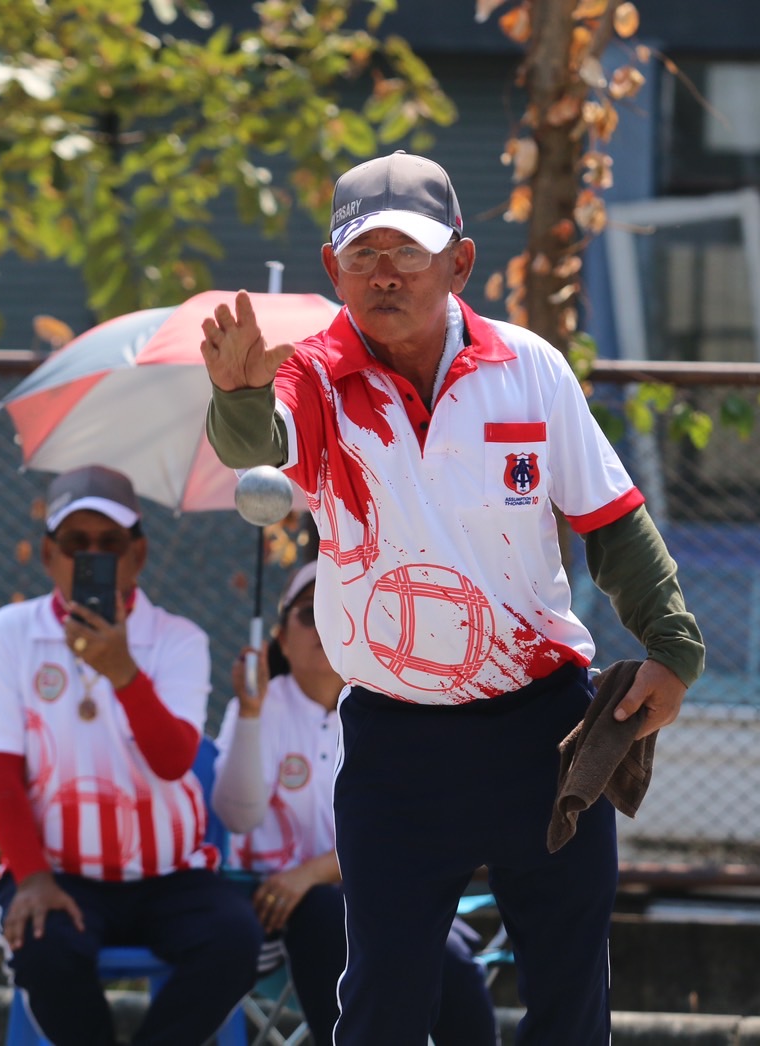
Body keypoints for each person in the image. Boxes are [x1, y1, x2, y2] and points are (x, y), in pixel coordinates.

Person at [198, 151, 704, 1045]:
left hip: (543, 729)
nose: (385, 274)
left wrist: (673, 646)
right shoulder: (313, 376)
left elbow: (611, 519)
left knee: (570, 998)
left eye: (409, 251)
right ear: (334, 269)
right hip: (396, 743)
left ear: (459, 263)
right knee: (383, 1005)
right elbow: (258, 444)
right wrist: (237, 397)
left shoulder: (530, 367)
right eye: (364, 255)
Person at [0, 464, 262, 1046]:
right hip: (58, 873)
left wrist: (124, 673)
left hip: (170, 875)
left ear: (137, 555)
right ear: (48, 556)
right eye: (76, 543)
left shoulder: (178, 640)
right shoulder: (9, 634)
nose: (91, 557)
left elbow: (173, 762)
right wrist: (33, 879)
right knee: (43, 949)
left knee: (234, 942)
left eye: (110, 543)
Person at [211, 560, 499, 1045]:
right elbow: (238, 817)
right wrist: (250, 714)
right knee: (328, 913)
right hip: (269, 918)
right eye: (309, 612)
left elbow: (408, 836)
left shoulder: (389, 710)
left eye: (339, 606)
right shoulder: (264, 706)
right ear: (281, 639)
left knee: (449, 958)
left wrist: (312, 872)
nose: (324, 621)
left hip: (372, 904)